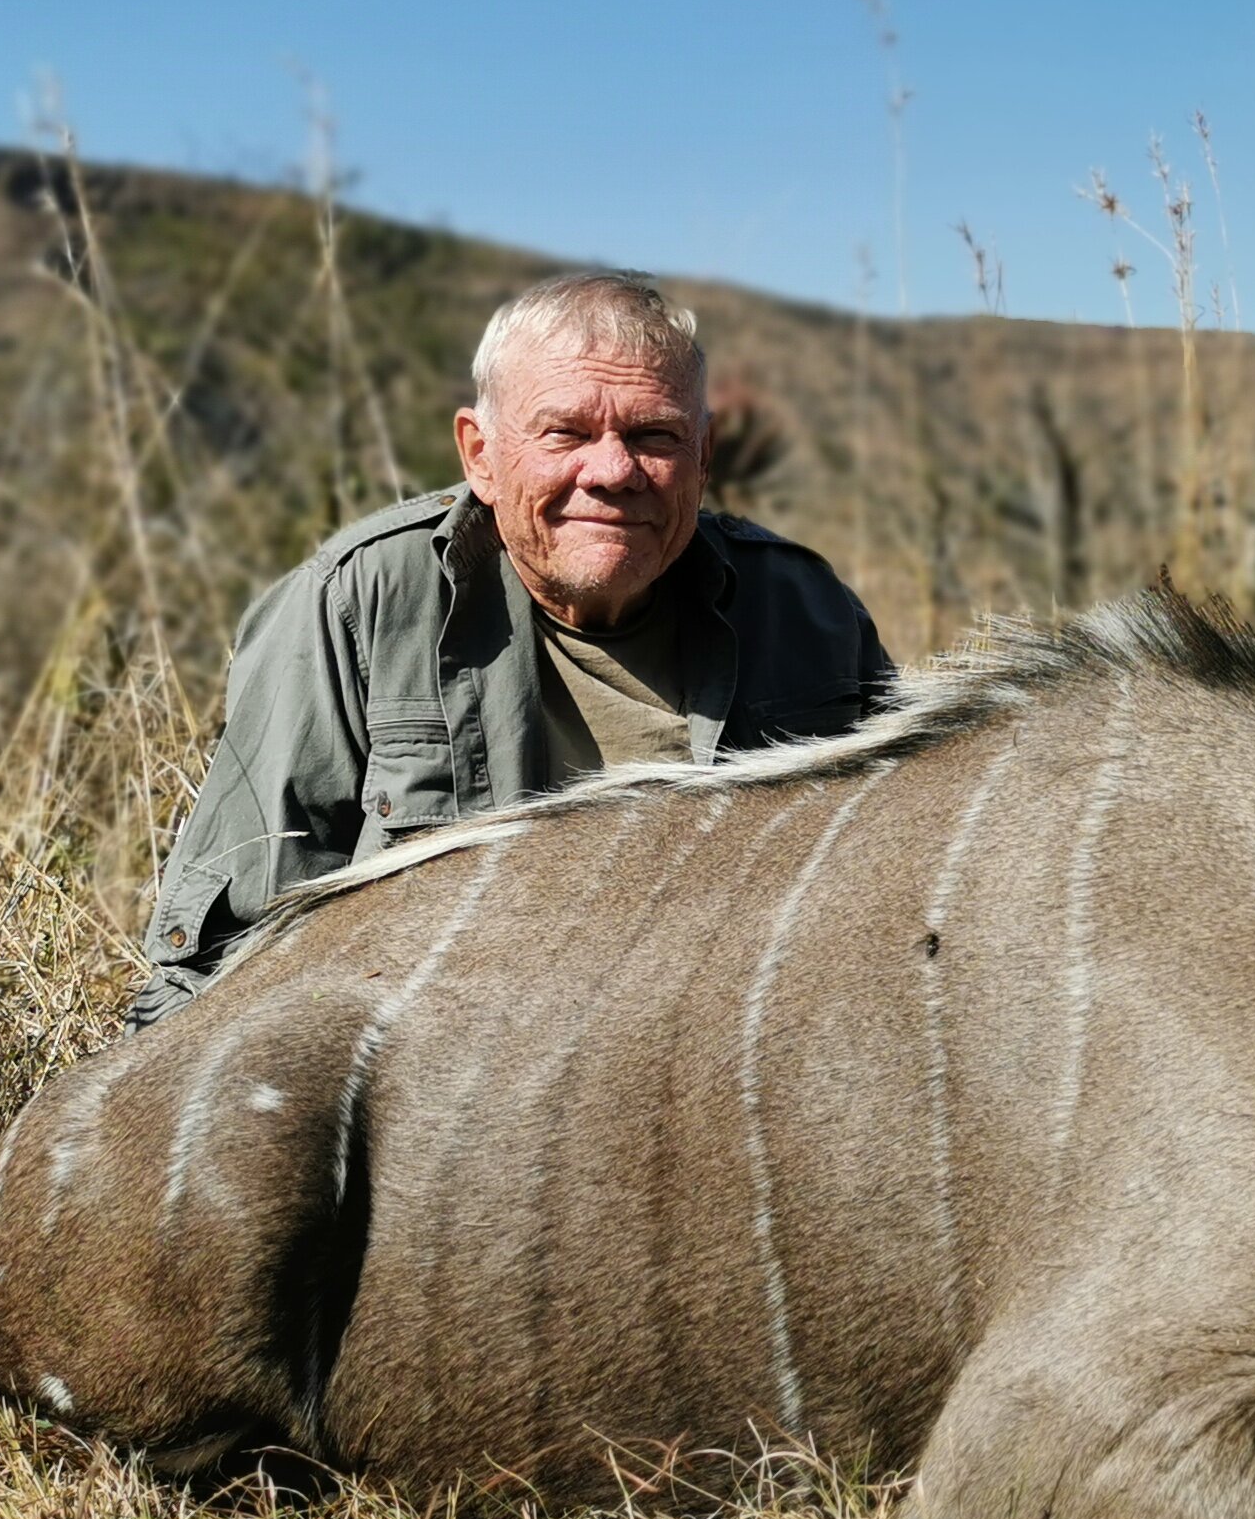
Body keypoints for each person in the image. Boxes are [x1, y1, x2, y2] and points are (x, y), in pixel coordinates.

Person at [127, 270, 894, 1025]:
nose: (613, 471)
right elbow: (217, 963)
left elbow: (888, 918)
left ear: (705, 454)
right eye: (566, 432)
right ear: (479, 455)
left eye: (654, 435)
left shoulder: (810, 614)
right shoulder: (357, 602)